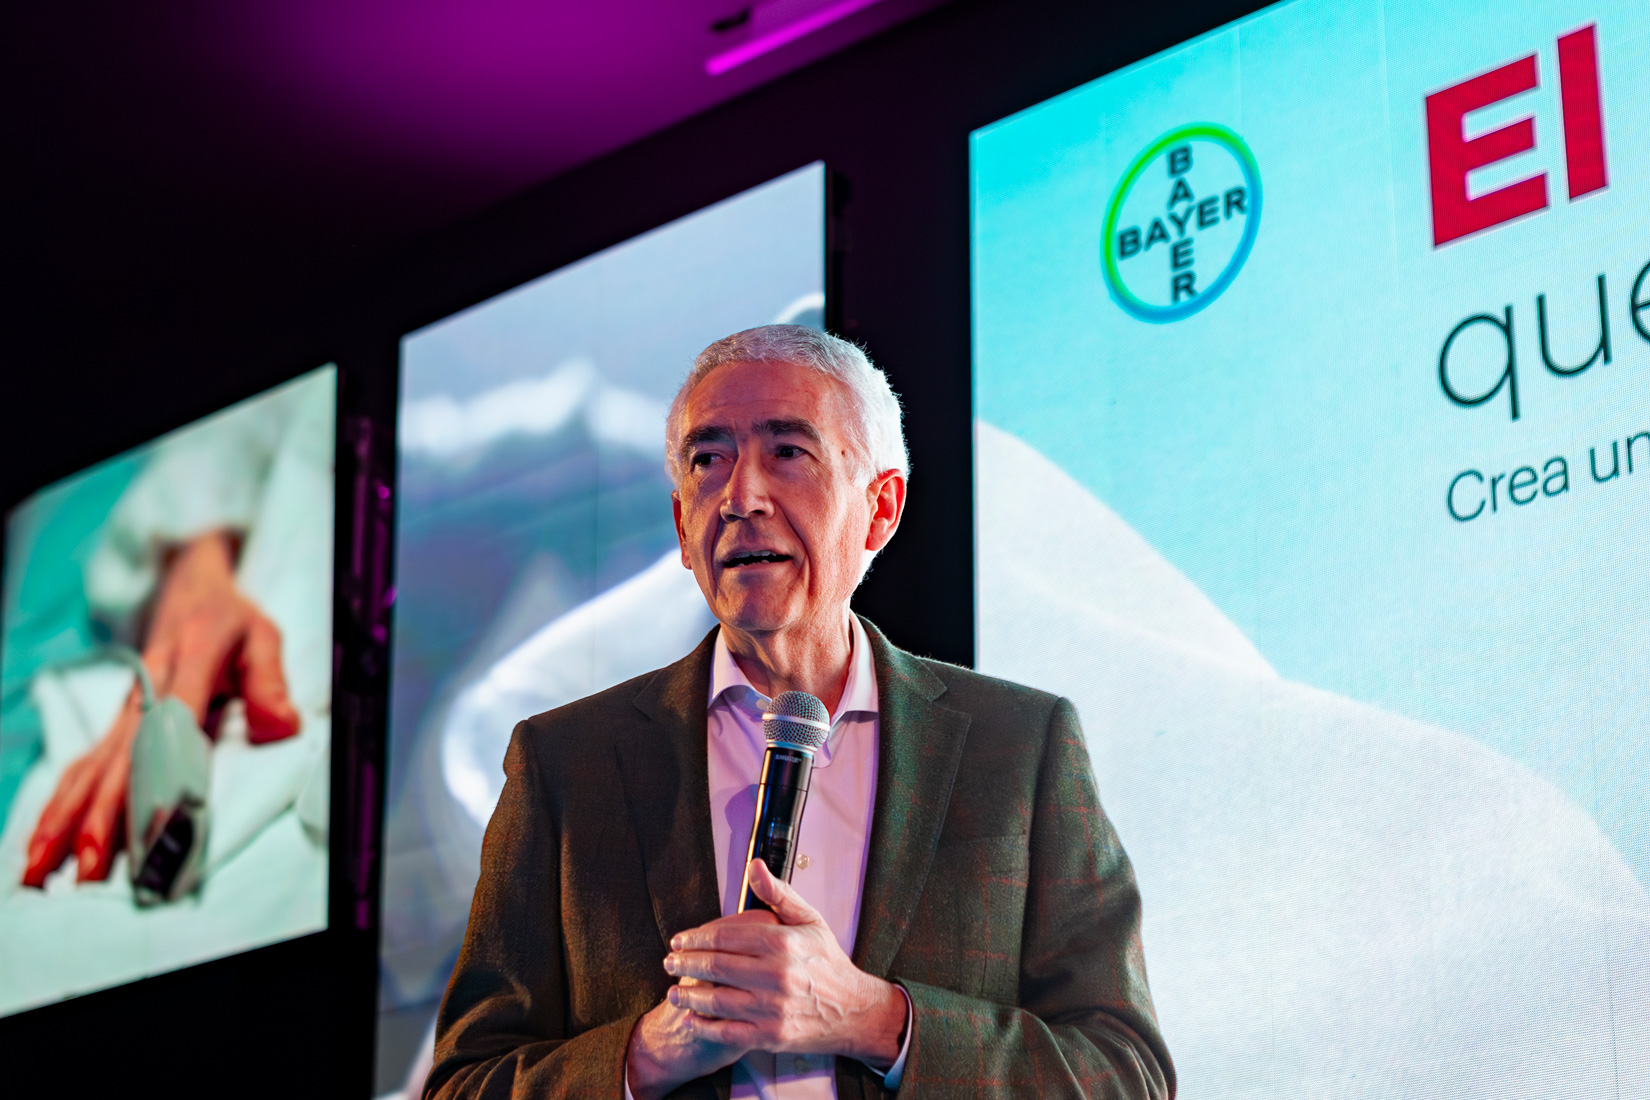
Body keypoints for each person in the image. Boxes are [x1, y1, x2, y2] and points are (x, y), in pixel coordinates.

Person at [426, 326, 1173, 1098]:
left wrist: (871, 1019)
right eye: (708, 460)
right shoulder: (564, 763)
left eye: (788, 452)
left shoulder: (1018, 747)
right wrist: (645, 1054)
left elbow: (1125, 1074)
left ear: (881, 509)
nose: (740, 497)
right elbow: (462, 1084)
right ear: (682, 526)